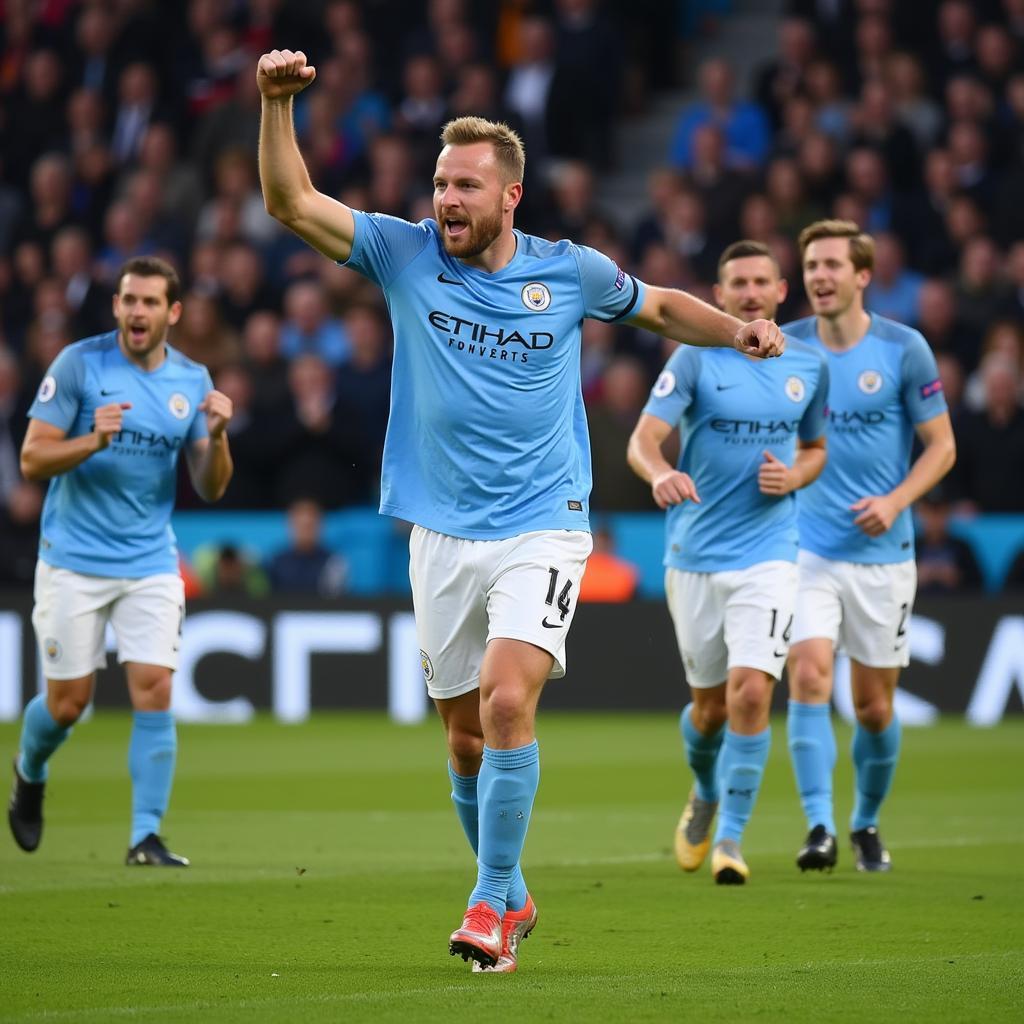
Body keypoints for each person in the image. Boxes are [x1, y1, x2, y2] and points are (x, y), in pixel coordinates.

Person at [255, 47, 784, 972]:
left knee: (507, 703)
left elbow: (658, 306)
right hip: (440, 531)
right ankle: (510, 885)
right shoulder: (404, 251)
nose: (445, 199)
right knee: (463, 741)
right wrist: (275, 106)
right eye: (438, 182)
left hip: (544, 521)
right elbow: (291, 204)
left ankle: (490, 909)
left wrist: (737, 330)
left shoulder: (568, 272)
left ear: (510, 198)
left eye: (464, 185)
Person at [8, 256, 234, 868]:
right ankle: (29, 771)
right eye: (129, 300)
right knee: (68, 704)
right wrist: (90, 441)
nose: (138, 311)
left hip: (150, 560)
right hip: (73, 560)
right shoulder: (80, 365)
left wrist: (214, 438)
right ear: (116, 306)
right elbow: (31, 460)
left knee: (155, 688)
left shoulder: (191, 381)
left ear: (173, 312)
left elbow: (210, 487)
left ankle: (145, 836)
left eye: (150, 302)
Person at [627, 240, 829, 885]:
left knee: (750, 694)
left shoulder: (810, 366)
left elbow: (818, 448)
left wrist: (795, 474)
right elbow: (643, 441)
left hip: (770, 551)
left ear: (780, 291)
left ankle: (732, 843)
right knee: (709, 710)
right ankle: (706, 790)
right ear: (718, 295)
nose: (748, 292)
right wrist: (660, 474)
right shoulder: (695, 360)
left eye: (759, 281)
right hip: (695, 555)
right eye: (736, 282)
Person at [783, 221, 955, 874]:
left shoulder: (903, 349)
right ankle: (820, 826)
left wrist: (894, 501)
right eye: (811, 266)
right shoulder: (788, 346)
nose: (820, 276)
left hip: (884, 554)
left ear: (862, 276)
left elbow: (942, 446)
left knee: (874, 706)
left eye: (832, 265)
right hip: (806, 548)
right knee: (807, 674)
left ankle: (865, 822)